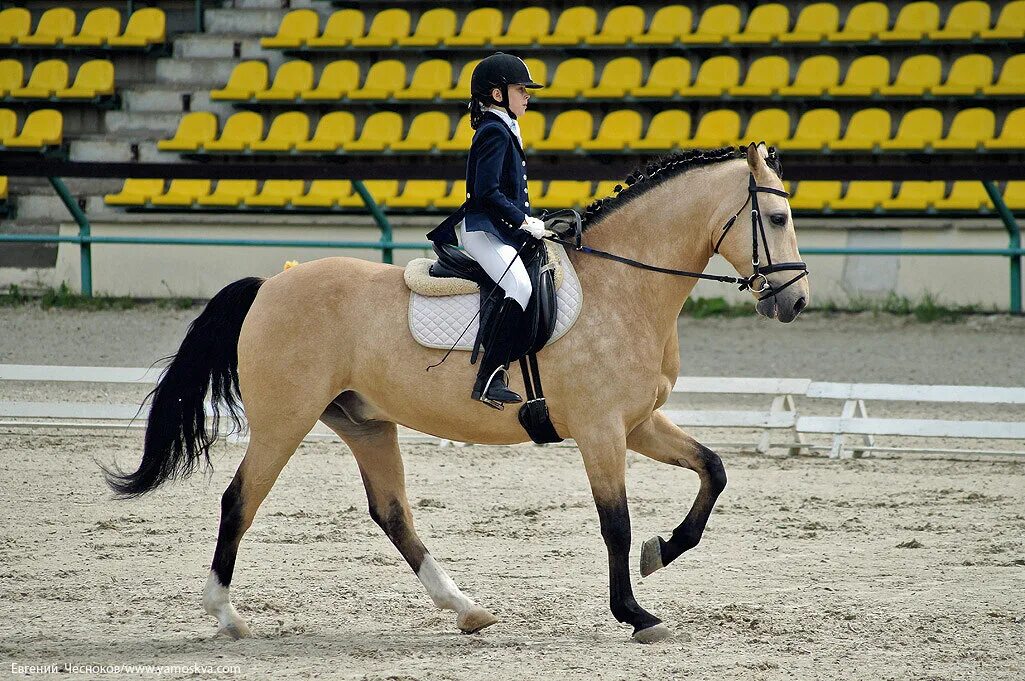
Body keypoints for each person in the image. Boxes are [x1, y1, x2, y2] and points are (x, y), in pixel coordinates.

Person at [427, 53, 546, 409]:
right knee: (519, 285)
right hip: (483, 232)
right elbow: (486, 192)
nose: (527, 95)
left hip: (499, 230)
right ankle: (489, 377)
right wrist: (523, 222)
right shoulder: (494, 131)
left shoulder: (503, 126)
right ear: (497, 95)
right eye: (520, 89)